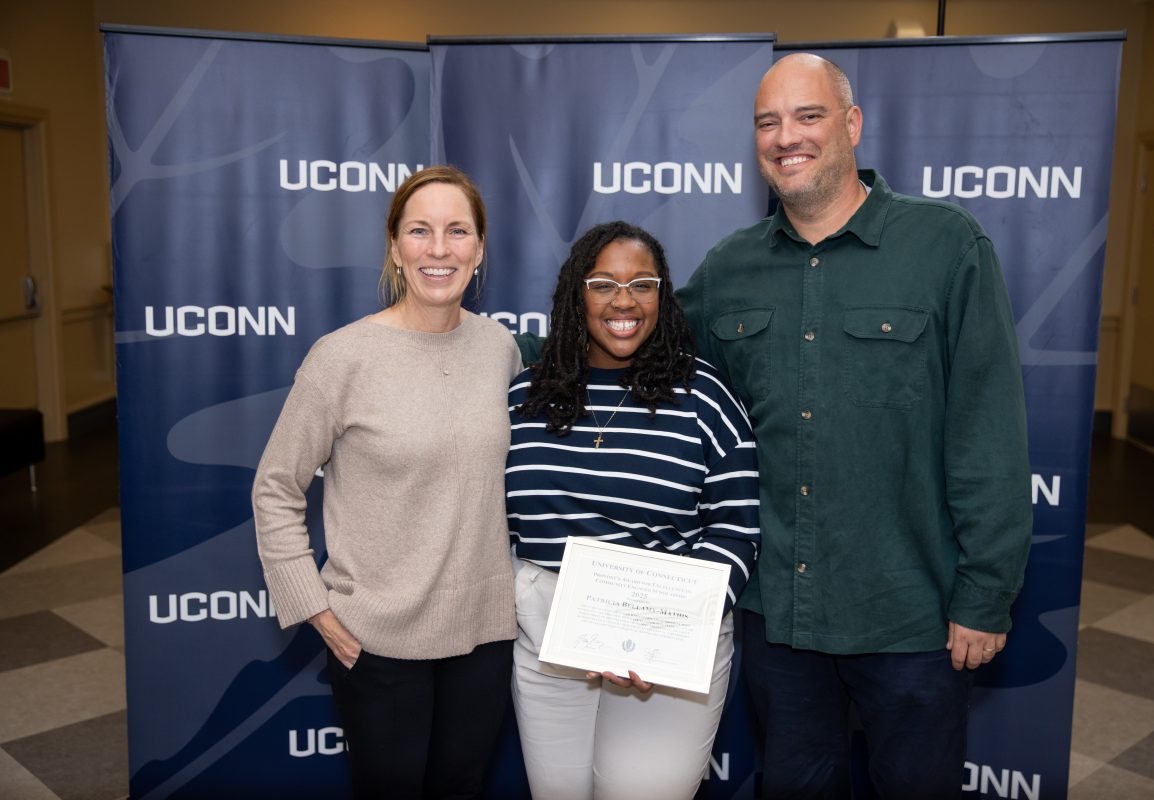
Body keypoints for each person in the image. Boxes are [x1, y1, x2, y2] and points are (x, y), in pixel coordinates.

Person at [676, 54, 1033, 798]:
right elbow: (635, 343)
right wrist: (489, 346)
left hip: (913, 615)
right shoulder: (730, 268)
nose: (785, 137)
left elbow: (987, 429)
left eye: (807, 116)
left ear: (851, 125)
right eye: (767, 123)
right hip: (780, 617)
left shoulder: (945, 246)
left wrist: (984, 594)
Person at [252, 166, 521, 799]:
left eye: (457, 231)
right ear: (395, 247)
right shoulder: (341, 358)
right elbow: (276, 487)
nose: (438, 249)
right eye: (419, 231)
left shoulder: (500, 350)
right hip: (378, 641)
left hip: (483, 638)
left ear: (479, 249)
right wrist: (315, 607)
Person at [506, 221, 761, 800]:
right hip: (547, 639)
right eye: (603, 284)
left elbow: (738, 528)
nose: (624, 300)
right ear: (578, 294)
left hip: (666, 642)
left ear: (662, 297)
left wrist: (659, 633)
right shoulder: (525, 395)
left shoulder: (705, 396)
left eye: (642, 284)